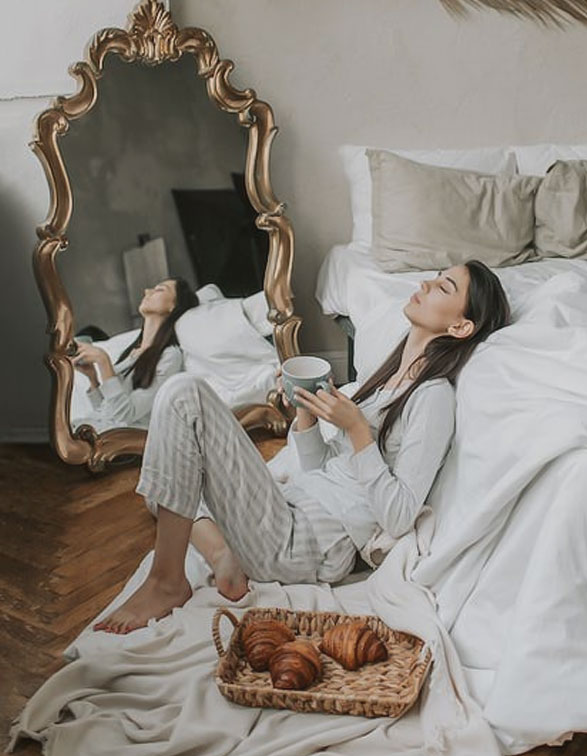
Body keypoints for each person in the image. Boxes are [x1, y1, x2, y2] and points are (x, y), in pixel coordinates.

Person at [94, 260, 510, 634]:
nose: (426, 282)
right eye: (436, 277)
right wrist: (306, 416)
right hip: (290, 504)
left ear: (459, 327)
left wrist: (358, 431)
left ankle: (166, 583)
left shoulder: (431, 397)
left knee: (185, 395)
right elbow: (322, 470)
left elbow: (399, 516)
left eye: (444, 287)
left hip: (304, 541)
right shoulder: (383, 379)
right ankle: (224, 554)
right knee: (168, 482)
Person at [71, 277, 199, 432]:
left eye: (160, 289)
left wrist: (103, 360)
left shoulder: (170, 356)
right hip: (97, 429)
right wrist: (92, 379)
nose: (147, 291)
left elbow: (124, 416)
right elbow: (108, 412)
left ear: (174, 306)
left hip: (123, 443)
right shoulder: (131, 353)